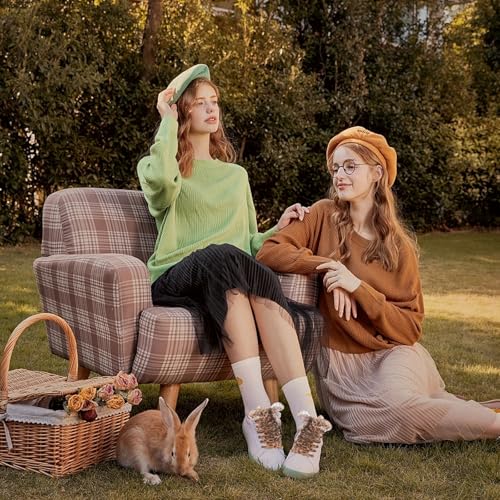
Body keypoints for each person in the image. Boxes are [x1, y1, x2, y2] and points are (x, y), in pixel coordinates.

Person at [137, 64, 331, 478]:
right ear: (183, 112)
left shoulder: (236, 176)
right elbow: (161, 186)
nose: (211, 109)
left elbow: (246, 244)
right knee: (223, 257)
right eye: (200, 103)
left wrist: (275, 230)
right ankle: (257, 410)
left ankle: (305, 422)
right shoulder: (163, 167)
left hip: (223, 273)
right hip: (176, 277)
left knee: (240, 272)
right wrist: (166, 120)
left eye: (215, 102)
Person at [257, 126, 500, 444]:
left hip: (394, 355)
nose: (339, 175)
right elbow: (270, 251)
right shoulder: (322, 214)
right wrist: (330, 267)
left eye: (350, 166)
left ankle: (494, 424)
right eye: (335, 168)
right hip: (342, 368)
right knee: (375, 421)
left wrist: (357, 287)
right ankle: (480, 414)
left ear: (376, 173)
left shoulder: (399, 247)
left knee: (403, 408)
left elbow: (409, 329)